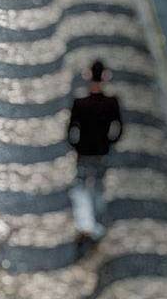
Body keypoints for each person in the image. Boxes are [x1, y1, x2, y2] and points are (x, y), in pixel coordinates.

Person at [67, 60, 123, 246]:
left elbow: (71, 129)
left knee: (81, 186)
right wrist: (110, 142)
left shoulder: (80, 103)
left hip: (84, 151)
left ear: (88, 76)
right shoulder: (112, 103)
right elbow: (119, 128)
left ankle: (84, 224)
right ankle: (98, 225)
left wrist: (75, 146)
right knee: (98, 186)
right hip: (102, 151)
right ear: (105, 77)